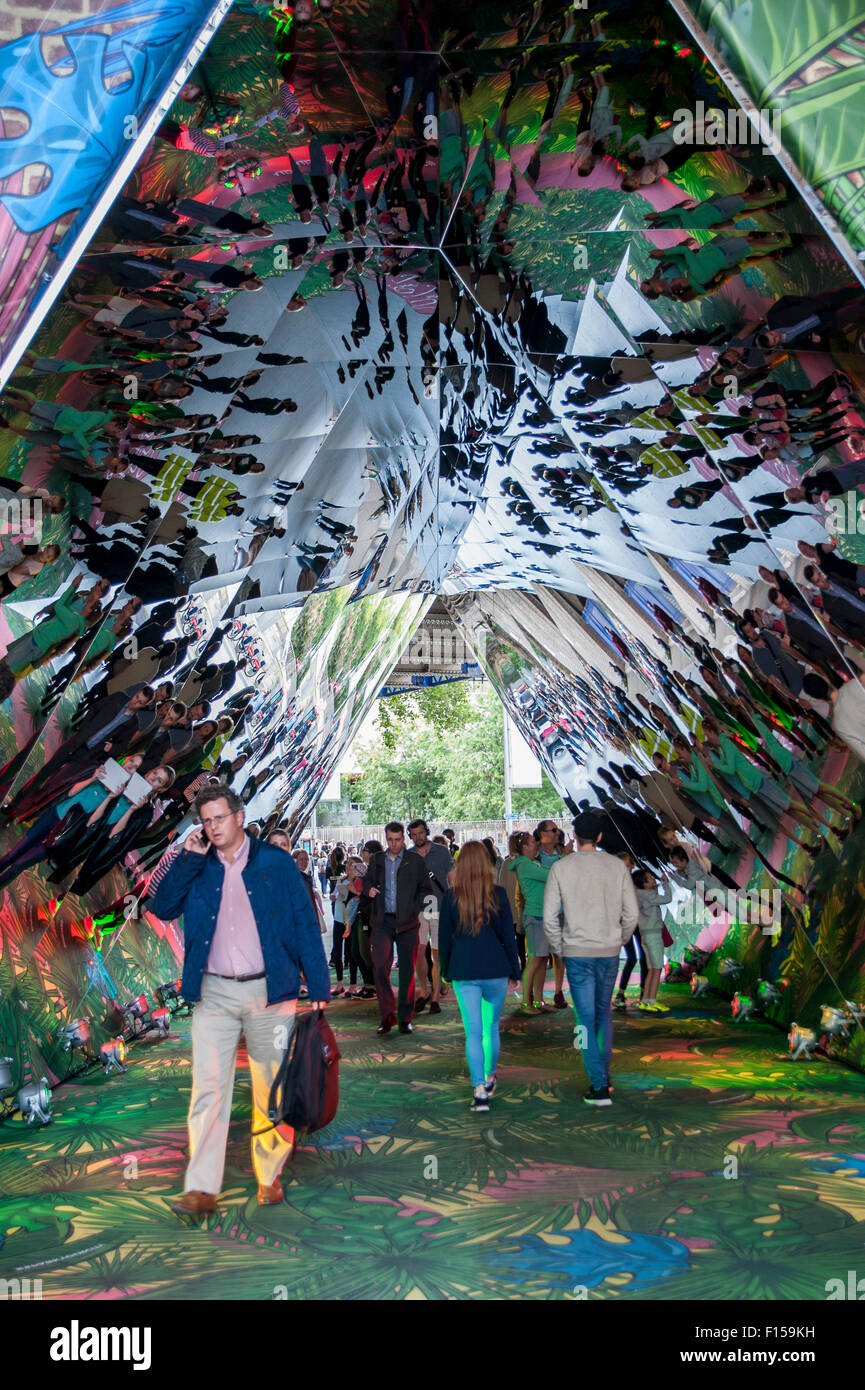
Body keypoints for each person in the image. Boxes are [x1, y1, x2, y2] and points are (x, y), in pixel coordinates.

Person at [150, 786, 330, 1218]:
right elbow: (163, 905)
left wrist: (320, 986)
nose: (212, 828)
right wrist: (187, 858)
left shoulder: (275, 861)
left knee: (272, 1088)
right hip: (213, 992)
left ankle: (269, 1175)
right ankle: (200, 1187)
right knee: (208, 1089)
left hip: (270, 991)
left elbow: (304, 921)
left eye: (219, 818)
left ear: (239, 815)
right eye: (206, 820)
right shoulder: (198, 863)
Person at [542, 812, 639, 1106]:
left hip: (577, 953)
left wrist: (561, 948)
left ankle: (598, 1085)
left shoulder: (561, 868)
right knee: (603, 1014)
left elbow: (549, 918)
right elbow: (632, 914)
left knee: (584, 1019)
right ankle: (603, 1076)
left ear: (574, 835)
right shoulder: (616, 866)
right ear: (599, 837)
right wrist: (619, 938)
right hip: (609, 951)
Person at [438, 841, 522, 1113]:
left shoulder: (451, 897)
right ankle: (490, 1076)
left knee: (472, 1032)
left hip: (464, 970)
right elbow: (508, 936)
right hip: (496, 969)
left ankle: (478, 1090)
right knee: (491, 1028)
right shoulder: (498, 894)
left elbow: (444, 940)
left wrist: (445, 971)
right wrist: (515, 970)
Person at [361, 822, 429, 1034]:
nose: (394, 843)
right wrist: (369, 889)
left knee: (407, 971)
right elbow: (366, 882)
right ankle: (387, 1015)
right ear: (385, 838)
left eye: (398, 839)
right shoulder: (378, 860)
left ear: (404, 838)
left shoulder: (414, 861)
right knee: (380, 967)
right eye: (390, 839)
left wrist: (414, 907)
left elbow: (426, 890)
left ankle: (405, 1018)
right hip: (383, 922)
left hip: (408, 923)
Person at [407, 818, 454, 1014]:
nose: (418, 837)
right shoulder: (407, 855)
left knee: (436, 953)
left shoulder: (441, 851)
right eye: (414, 834)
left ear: (426, 832)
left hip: (439, 906)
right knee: (418, 952)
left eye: (420, 833)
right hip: (417, 908)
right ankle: (424, 992)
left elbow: (452, 878)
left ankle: (435, 997)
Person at [632, 869, 673, 1013]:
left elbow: (652, 895)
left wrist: (654, 886)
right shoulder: (648, 895)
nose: (653, 879)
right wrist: (666, 884)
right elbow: (667, 898)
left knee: (651, 969)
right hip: (654, 936)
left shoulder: (639, 894)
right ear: (644, 884)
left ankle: (645, 1001)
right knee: (657, 969)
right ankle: (652, 1001)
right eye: (650, 878)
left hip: (645, 935)